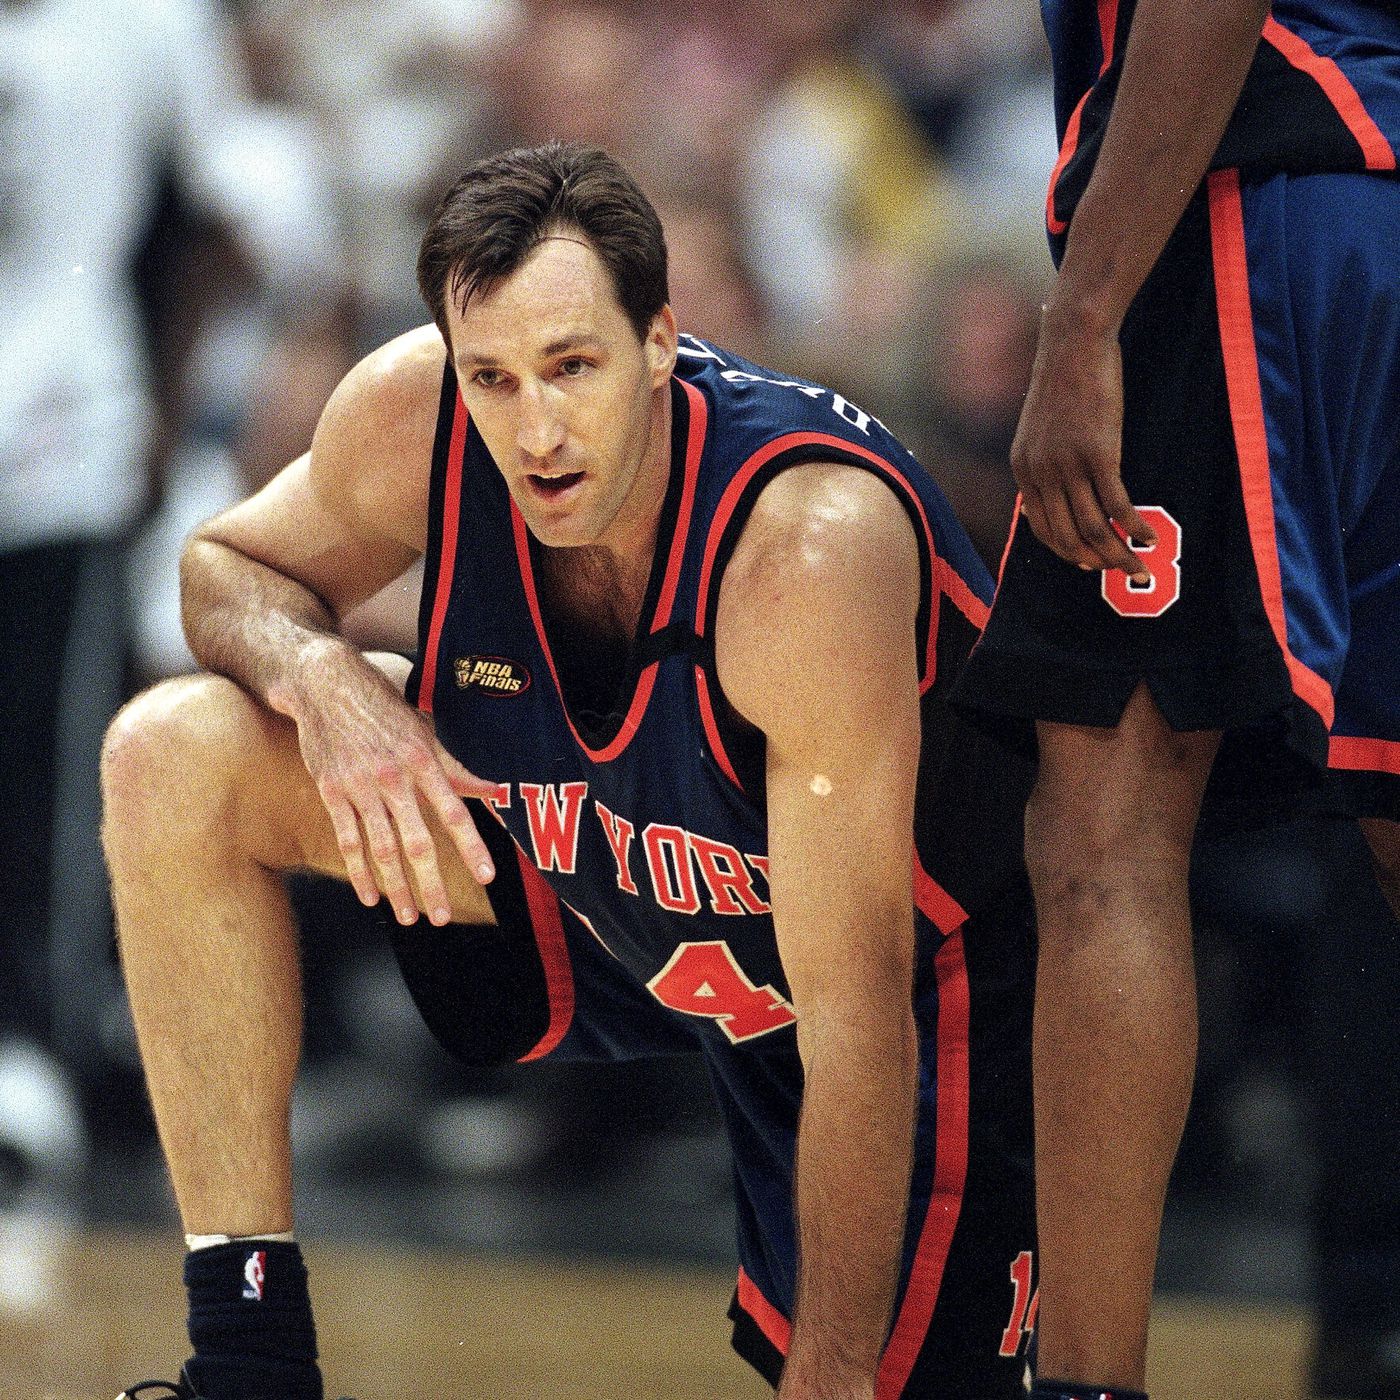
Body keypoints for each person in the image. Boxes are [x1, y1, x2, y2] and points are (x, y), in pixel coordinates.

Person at [101, 142, 1039, 1400]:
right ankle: (248, 1361)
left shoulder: (803, 549)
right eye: (490, 376)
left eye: (570, 367)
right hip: (600, 876)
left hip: (911, 976)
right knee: (170, 752)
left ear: (659, 341)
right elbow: (224, 567)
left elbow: (857, 1019)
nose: (534, 429)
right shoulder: (413, 417)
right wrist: (319, 675)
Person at [948, 3, 1400, 1398]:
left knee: (1106, 829)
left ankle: (1086, 1384)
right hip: (1353, 201)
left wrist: (1084, 314)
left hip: (1254, 213)